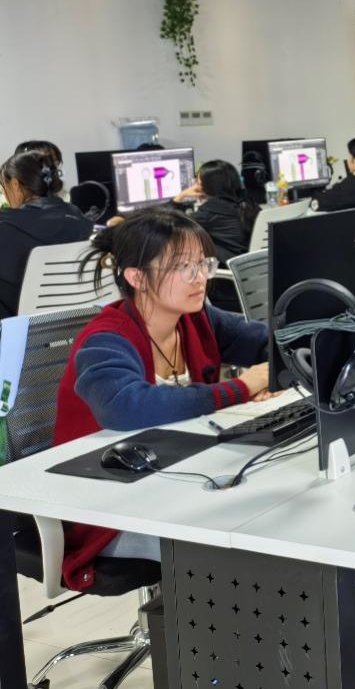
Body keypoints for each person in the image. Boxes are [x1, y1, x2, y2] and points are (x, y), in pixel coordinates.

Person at [51, 209, 272, 589]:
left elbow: (270, 344)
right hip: (105, 510)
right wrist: (242, 387)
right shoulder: (106, 339)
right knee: (247, 549)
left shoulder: (197, 319)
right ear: (136, 277)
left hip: (173, 481)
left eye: (203, 263)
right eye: (182, 267)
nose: (200, 277)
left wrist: (275, 375)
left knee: (266, 518)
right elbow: (125, 407)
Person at [0, 148, 94, 318]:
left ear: (14, 185)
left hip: (19, 327)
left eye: (3, 187)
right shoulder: (79, 218)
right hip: (75, 322)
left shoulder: (5, 224)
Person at [173, 160, 259, 265]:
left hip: (231, 270)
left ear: (208, 186)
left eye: (198, 183)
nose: (195, 186)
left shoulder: (209, 213)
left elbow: (173, 224)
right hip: (253, 266)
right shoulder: (248, 201)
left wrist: (180, 197)